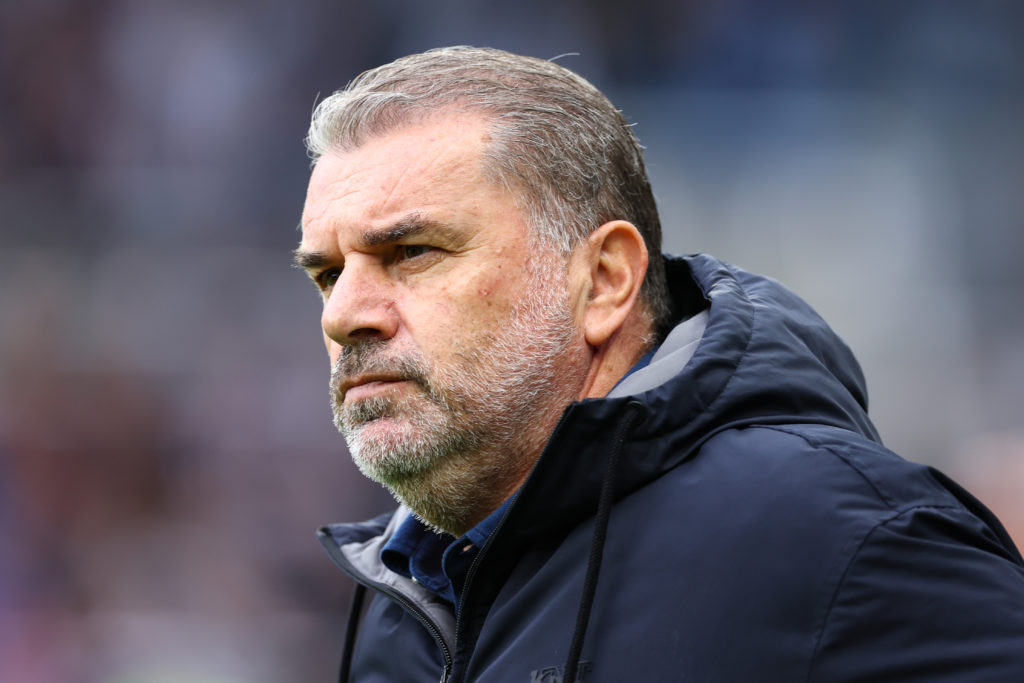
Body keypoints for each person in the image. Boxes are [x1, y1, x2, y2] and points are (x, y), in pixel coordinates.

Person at [295, 46, 1024, 682]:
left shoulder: (842, 540)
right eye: (328, 274)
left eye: (411, 252)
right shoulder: (398, 593)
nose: (342, 313)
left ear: (606, 279)